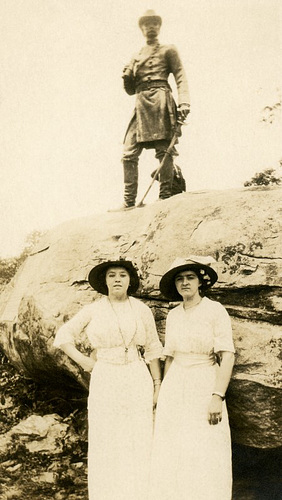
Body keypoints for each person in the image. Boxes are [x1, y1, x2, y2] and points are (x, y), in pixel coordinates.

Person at [53, 258, 163, 500]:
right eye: (111, 275)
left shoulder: (142, 309)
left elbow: (154, 348)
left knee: (139, 435)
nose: (117, 279)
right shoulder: (94, 309)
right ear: (105, 281)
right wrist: (85, 362)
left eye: (122, 275)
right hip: (106, 376)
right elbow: (63, 336)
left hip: (136, 374)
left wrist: (157, 384)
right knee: (108, 437)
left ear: (130, 280)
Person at [149, 256, 235, 500]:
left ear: (200, 282)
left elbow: (226, 356)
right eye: (179, 279)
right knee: (173, 445)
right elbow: (170, 357)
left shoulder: (215, 310)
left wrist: (217, 396)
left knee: (204, 446)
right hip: (175, 383)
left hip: (204, 381)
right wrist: (162, 390)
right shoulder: (173, 315)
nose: (185, 283)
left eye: (190, 278)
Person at [120, 9, 190, 209]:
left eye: (154, 24)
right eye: (146, 24)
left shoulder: (169, 50)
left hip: (161, 99)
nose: (151, 27)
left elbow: (180, 76)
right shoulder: (136, 55)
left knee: (163, 150)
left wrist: (184, 102)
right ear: (141, 28)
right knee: (128, 152)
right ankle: (128, 202)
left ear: (159, 27)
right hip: (141, 103)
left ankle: (165, 195)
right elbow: (130, 90)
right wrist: (126, 78)